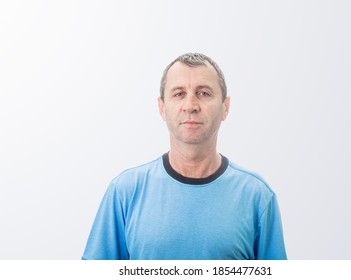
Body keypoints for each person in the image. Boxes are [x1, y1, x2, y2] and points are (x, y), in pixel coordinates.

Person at [82, 53, 287, 260]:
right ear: (162, 108)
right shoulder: (125, 192)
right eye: (179, 94)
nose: (190, 105)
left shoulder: (257, 196)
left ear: (225, 107)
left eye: (204, 93)